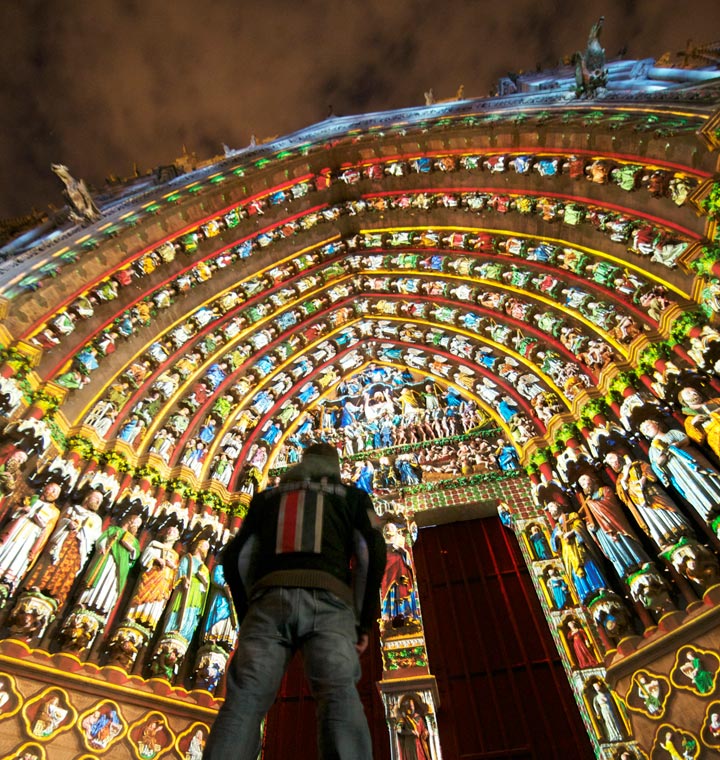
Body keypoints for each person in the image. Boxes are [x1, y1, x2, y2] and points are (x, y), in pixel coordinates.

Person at [203, 443, 386, 760]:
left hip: (267, 604)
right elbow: (371, 555)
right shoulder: (352, 497)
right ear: (335, 468)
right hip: (330, 606)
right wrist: (362, 621)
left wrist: (249, 612)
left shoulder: (267, 499)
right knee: (337, 695)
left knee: (246, 697)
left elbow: (235, 557)